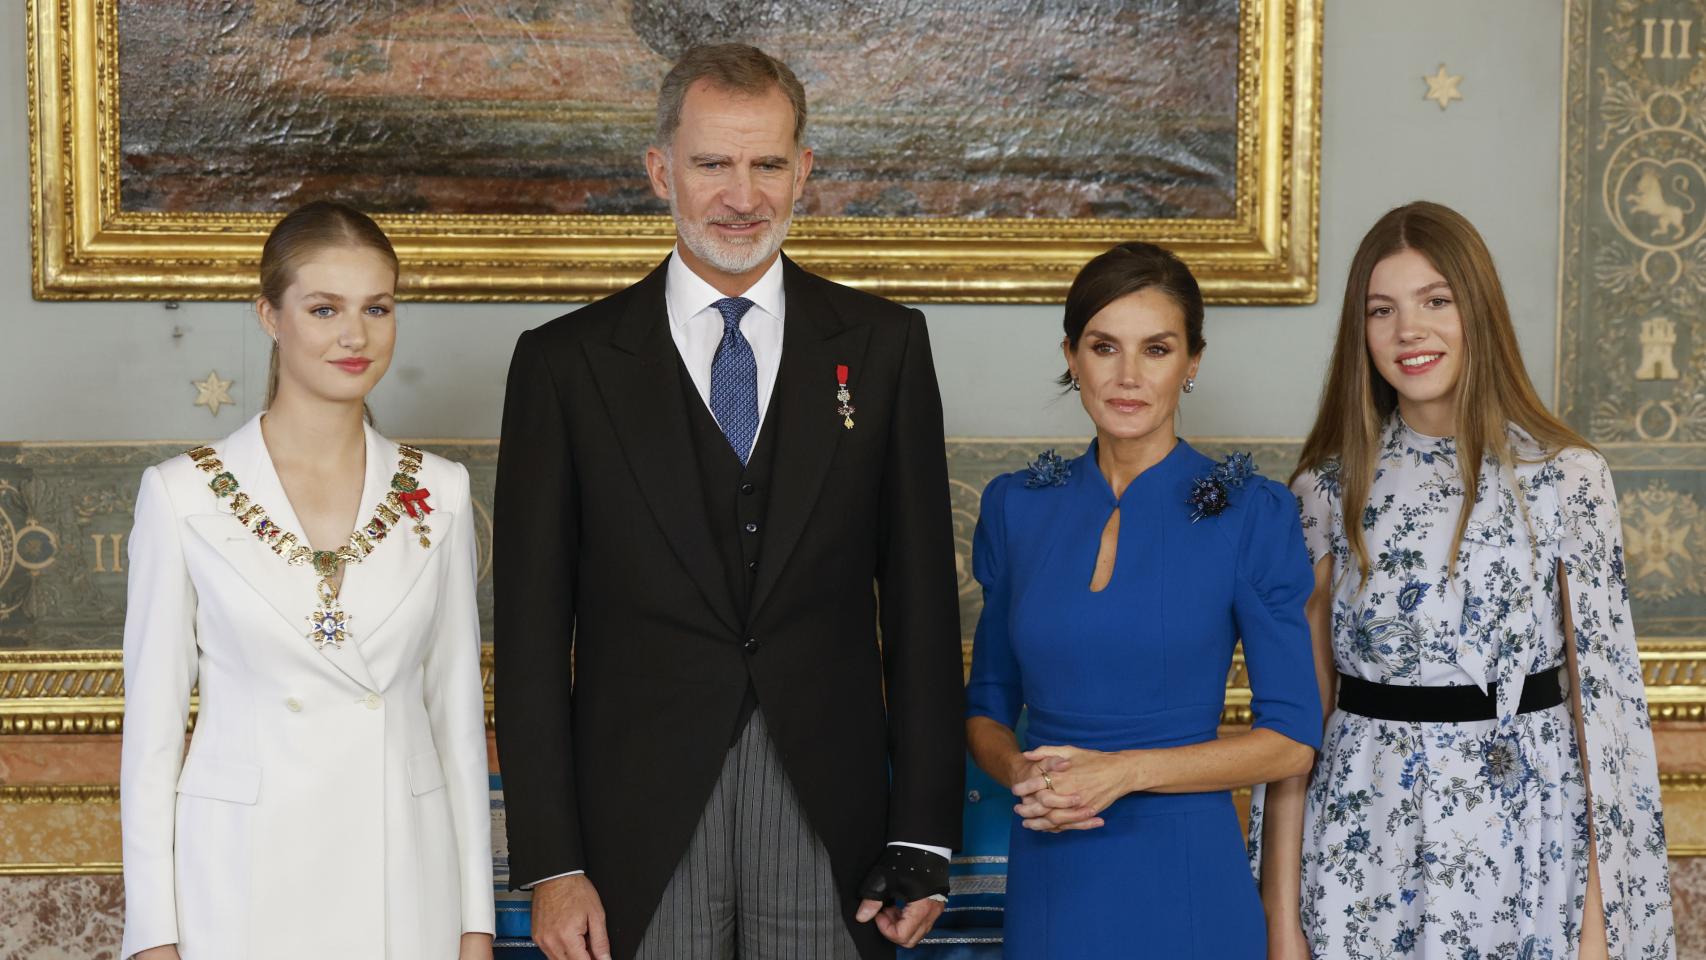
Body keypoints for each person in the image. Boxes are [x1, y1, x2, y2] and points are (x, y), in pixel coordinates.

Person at [493, 43, 965, 960]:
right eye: (713, 164)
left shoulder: (886, 346)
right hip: (637, 828)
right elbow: (532, 637)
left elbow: (919, 610)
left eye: (767, 164)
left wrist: (923, 834)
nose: (741, 195)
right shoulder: (564, 364)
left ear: (805, 173)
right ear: (660, 170)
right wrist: (551, 863)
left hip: (833, 824)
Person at [1256, 201, 1675, 959]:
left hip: (1528, 840)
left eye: (1435, 301)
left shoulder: (1565, 479)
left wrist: (1598, 928)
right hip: (1362, 843)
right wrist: (1282, 922)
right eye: (1382, 310)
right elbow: (1297, 723)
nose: (1408, 330)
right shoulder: (1326, 488)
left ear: (1476, 309)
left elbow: (1605, 724)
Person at [118, 200, 495, 960]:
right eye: (324, 308)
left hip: (404, 877)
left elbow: (456, 720)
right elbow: (152, 740)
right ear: (270, 315)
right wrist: (153, 935)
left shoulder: (441, 491)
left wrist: (474, 924)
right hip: (240, 879)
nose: (354, 336)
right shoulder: (181, 494)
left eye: (377, 308)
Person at [964, 242, 1322, 958]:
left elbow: (1292, 741)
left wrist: (1124, 772)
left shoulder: (1252, 513)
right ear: (1072, 355)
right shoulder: (1017, 508)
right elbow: (986, 706)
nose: (1128, 377)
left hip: (1186, 877)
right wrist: (1022, 772)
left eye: (1156, 349)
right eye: (1104, 347)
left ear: (1192, 362)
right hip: (1052, 869)